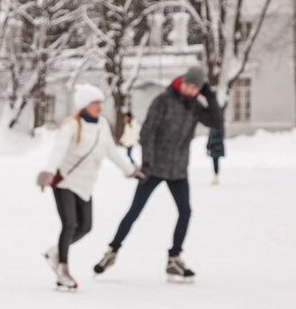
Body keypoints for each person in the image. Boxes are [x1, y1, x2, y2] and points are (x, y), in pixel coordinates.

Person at [93, 65, 222, 282]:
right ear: (182, 81)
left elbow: (217, 122)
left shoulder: (195, 106)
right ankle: (112, 251)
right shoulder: (163, 100)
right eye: (188, 85)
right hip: (154, 168)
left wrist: (209, 95)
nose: (190, 90)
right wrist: (148, 162)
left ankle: (174, 258)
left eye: (195, 88)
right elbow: (147, 132)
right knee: (135, 211)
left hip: (178, 169)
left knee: (185, 212)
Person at [35, 84, 143, 290]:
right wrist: (49, 171)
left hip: (85, 183)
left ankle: (56, 251)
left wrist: (130, 170)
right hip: (65, 181)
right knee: (70, 224)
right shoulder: (72, 125)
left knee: (86, 226)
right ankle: (63, 270)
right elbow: (59, 150)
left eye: (100, 103)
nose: (99, 107)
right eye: (95, 103)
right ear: (84, 104)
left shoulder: (102, 124)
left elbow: (111, 151)